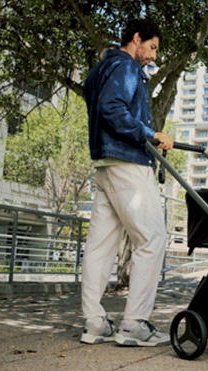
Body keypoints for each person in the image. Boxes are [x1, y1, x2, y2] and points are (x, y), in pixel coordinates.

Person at [80, 19, 173, 347]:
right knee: (153, 238)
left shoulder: (101, 68)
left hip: (104, 164)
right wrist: (151, 134)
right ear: (137, 38)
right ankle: (133, 324)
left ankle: (94, 322)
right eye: (151, 47)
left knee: (100, 245)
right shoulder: (126, 67)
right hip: (128, 163)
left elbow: (97, 100)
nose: (152, 56)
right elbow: (112, 108)